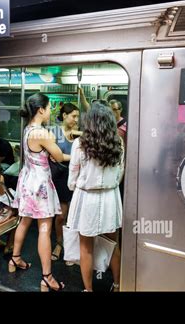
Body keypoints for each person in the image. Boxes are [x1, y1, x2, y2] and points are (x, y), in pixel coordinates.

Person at [10, 93, 67, 292]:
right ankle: (46, 277)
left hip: (27, 180)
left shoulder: (27, 129)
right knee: (45, 228)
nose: (51, 111)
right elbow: (59, 156)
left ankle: (14, 259)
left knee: (24, 220)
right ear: (41, 110)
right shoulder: (42, 133)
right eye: (50, 107)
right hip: (40, 184)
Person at [67, 103, 125, 292]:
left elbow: (72, 179)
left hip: (86, 199)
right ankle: (117, 284)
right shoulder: (118, 143)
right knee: (112, 243)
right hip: (110, 198)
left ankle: (88, 289)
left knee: (86, 247)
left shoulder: (79, 144)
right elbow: (119, 176)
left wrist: (76, 185)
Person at [49, 103, 80, 265]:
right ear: (64, 115)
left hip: (76, 177)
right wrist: (70, 157)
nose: (76, 119)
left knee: (74, 217)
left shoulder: (77, 134)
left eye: (77, 116)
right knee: (61, 215)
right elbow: (55, 156)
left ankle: (71, 248)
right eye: (73, 116)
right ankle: (59, 244)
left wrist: (63, 156)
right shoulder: (54, 132)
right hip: (60, 177)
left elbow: (61, 156)